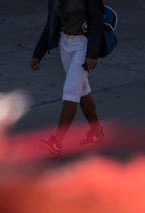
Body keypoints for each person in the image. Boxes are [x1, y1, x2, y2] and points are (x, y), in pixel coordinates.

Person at [31, 0, 105, 156]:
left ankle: (56, 142)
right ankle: (97, 133)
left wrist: (92, 54)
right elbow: (51, 22)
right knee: (82, 89)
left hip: (82, 45)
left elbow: (97, 20)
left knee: (70, 91)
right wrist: (38, 53)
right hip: (64, 44)